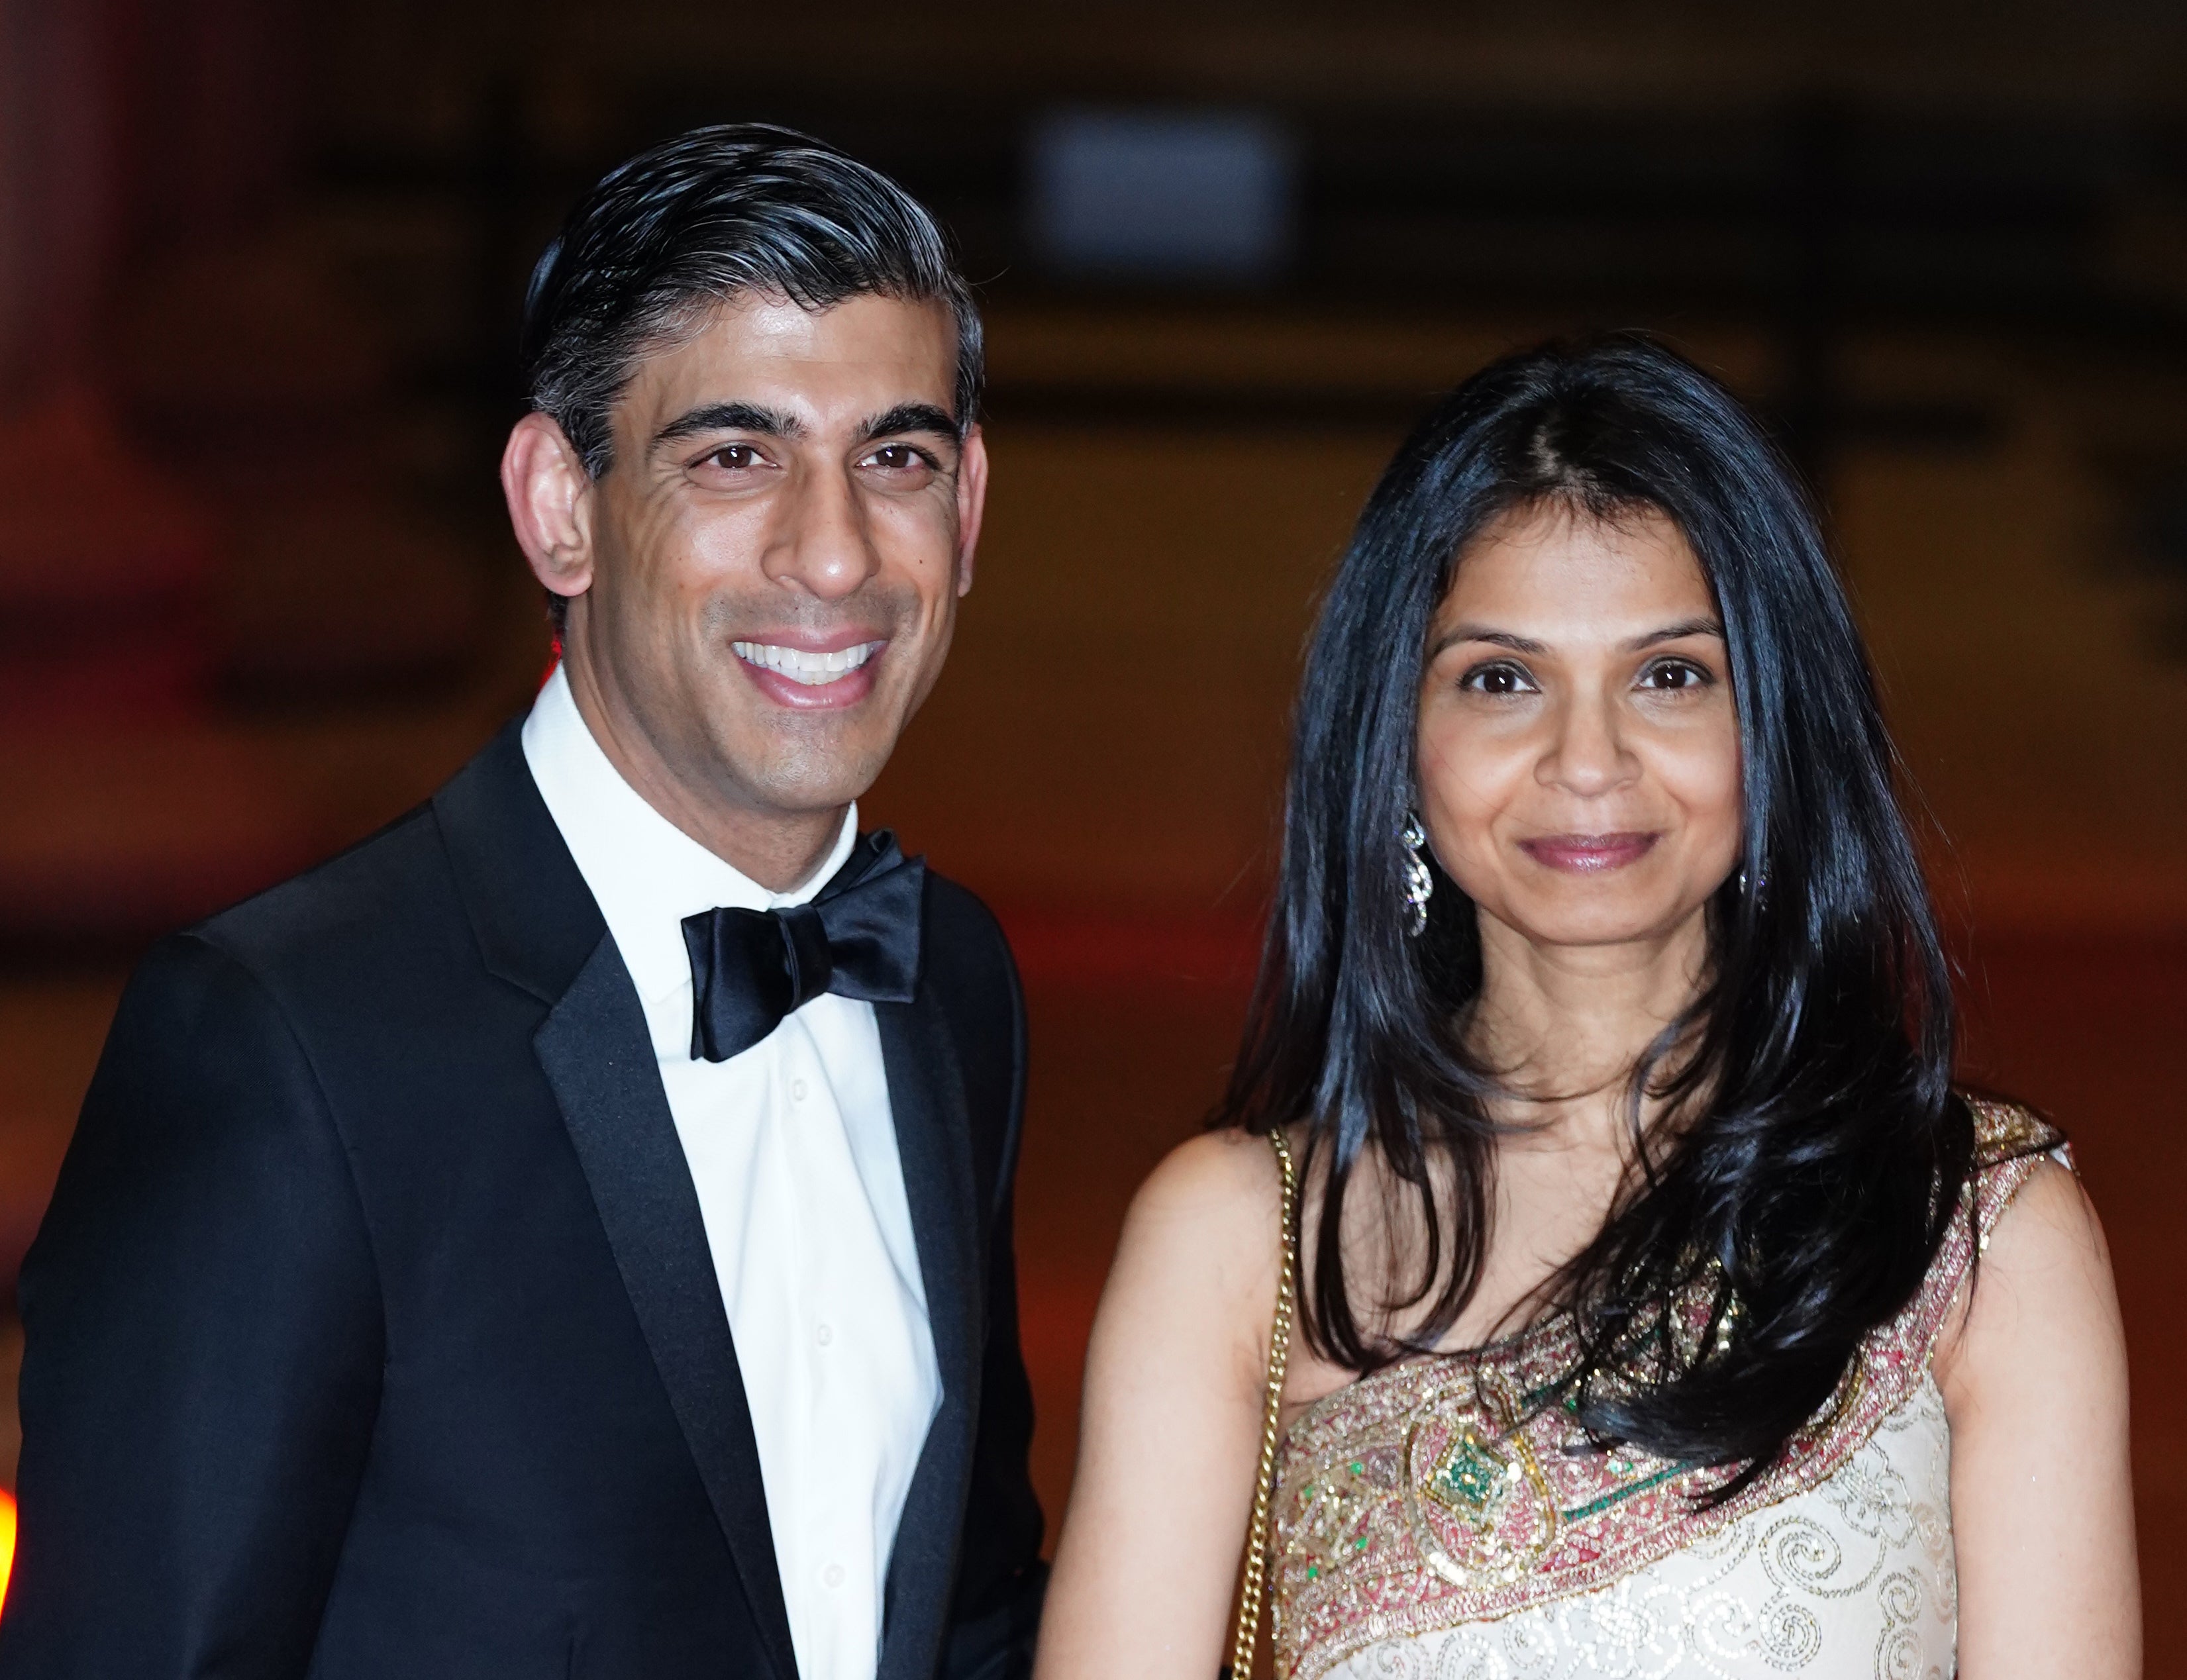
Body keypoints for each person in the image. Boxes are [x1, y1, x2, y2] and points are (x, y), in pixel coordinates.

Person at [1, 126, 1044, 1680]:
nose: (833, 554)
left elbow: (967, 1615)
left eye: (891, 458)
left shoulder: (948, 979)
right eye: (734, 455)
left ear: (963, 511)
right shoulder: (286, 1042)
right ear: (560, 503)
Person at [1035, 336, 2137, 1679]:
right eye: (1501, 679)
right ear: (1398, 743)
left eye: (1669, 674)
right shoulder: (1240, 1244)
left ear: (1772, 731)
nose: (1587, 761)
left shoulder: (1972, 1236)